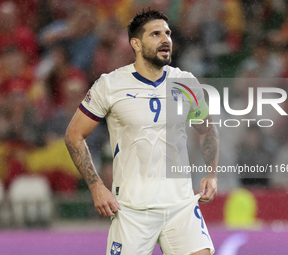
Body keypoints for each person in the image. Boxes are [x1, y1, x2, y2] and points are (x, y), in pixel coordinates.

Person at [65, 9, 220, 255]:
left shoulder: (186, 82)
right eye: (156, 34)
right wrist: (96, 186)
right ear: (136, 43)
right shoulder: (110, 85)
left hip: (180, 205)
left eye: (167, 33)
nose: (165, 40)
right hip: (132, 209)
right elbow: (74, 135)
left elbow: (207, 130)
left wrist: (211, 173)